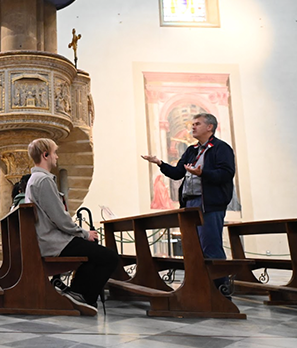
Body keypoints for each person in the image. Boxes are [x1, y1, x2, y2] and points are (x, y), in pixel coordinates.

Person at [141, 113, 235, 289]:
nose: (193, 127)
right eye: (192, 124)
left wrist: (203, 173)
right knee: (193, 248)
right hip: (190, 203)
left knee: (210, 246)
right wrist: (159, 163)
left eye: (197, 124)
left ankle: (220, 289)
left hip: (209, 204)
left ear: (210, 127)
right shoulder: (192, 150)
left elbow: (226, 174)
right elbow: (178, 173)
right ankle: (198, 287)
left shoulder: (221, 148)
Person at [25, 138, 118, 313]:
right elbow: (60, 218)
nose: (56, 157)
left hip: (47, 238)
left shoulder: (34, 179)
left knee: (93, 251)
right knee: (110, 257)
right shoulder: (43, 181)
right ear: (45, 155)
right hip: (53, 242)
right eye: (54, 153)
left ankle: (77, 293)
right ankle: (84, 296)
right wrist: (84, 233)